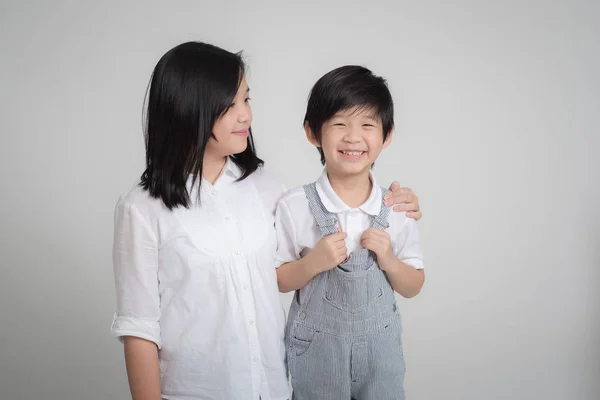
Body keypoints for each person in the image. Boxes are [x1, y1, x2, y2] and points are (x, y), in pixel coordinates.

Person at [111, 42, 423, 400]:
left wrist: (394, 203)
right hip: (194, 391)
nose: (245, 115)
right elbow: (139, 328)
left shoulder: (267, 188)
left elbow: (326, 213)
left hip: (272, 388)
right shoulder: (142, 208)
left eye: (246, 99)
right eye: (229, 105)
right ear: (188, 109)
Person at [275, 65, 424, 400]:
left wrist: (388, 259)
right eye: (339, 124)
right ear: (313, 133)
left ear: (387, 135)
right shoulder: (294, 205)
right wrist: (313, 263)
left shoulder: (397, 207)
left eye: (368, 125)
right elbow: (278, 279)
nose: (353, 137)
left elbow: (414, 284)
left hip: (379, 354)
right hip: (317, 352)